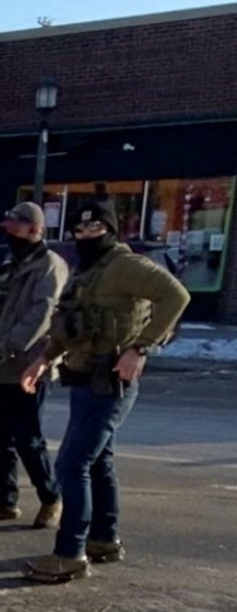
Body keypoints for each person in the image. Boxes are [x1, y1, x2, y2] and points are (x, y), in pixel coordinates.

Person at [20, 197, 190, 583]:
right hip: (86, 376)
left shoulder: (124, 265)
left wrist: (140, 346)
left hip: (109, 379)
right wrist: (43, 358)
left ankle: (70, 554)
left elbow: (176, 296)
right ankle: (103, 539)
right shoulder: (90, 269)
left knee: (71, 464)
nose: (85, 236)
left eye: (93, 229)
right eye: (79, 230)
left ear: (110, 230)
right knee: (98, 460)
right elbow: (72, 324)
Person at [0, 202, 69, 529]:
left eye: (15, 228)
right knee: (0, 438)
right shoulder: (10, 264)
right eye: (8, 228)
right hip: (0, 365)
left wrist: (5, 347)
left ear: (35, 229)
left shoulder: (48, 265)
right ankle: (5, 500)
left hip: (28, 364)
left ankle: (51, 498)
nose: (9, 234)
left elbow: (42, 314)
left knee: (27, 438)